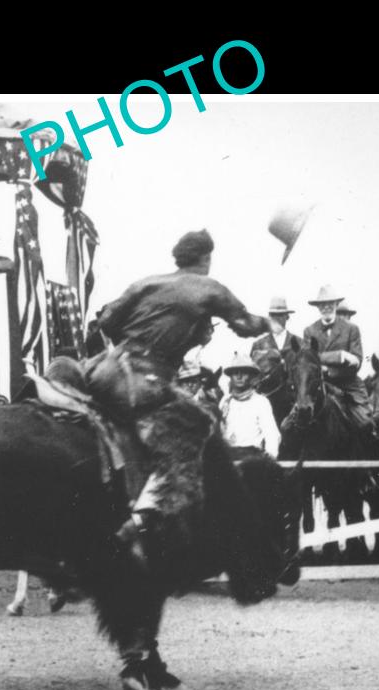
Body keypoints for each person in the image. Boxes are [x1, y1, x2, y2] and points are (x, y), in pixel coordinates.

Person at [86, 228, 271, 569]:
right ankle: (140, 520)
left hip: (103, 370)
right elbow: (245, 324)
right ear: (206, 258)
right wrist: (268, 325)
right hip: (143, 378)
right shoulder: (208, 287)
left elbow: (107, 320)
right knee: (198, 423)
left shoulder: (147, 282)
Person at [301, 285, 372, 433]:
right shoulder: (309, 331)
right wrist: (339, 356)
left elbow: (356, 362)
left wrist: (326, 366)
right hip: (319, 385)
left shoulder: (351, 329)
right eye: (322, 304)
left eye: (330, 303)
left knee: (366, 423)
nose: (326, 307)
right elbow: (308, 360)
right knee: (289, 424)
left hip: (348, 384)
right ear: (318, 307)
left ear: (336, 305)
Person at [219, 354, 280, 457]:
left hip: (251, 456)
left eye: (244, 372)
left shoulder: (260, 402)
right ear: (231, 376)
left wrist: (270, 457)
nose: (239, 376)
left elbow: (272, 434)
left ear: (251, 376)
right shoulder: (225, 401)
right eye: (235, 373)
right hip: (228, 456)